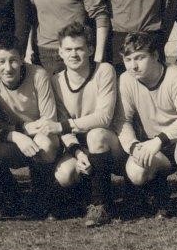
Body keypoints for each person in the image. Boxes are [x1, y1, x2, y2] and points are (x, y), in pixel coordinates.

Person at [26, 22, 119, 227]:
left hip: (108, 143)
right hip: (79, 144)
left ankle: (101, 204)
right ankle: (84, 198)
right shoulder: (56, 81)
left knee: (96, 135)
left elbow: (104, 117)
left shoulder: (104, 70)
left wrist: (63, 127)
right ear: (60, 52)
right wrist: (77, 152)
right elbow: (63, 127)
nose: (73, 54)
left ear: (90, 50)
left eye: (79, 49)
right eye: (68, 49)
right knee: (65, 175)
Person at [115, 31, 177, 225]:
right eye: (128, 59)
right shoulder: (126, 79)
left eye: (140, 58)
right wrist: (133, 146)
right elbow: (123, 121)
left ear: (155, 55)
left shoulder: (176, 75)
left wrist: (160, 140)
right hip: (152, 145)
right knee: (136, 172)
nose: (133, 65)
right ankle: (159, 196)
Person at [0, 34, 62, 219]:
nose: (8, 68)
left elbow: (48, 120)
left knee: (45, 143)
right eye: (1, 61)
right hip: (14, 138)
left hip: (38, 136)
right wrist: (17, 135)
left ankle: (41, 198)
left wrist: (23, 130)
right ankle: (12, 198)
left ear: (22, 58)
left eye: (13, 60)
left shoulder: (39, 74)